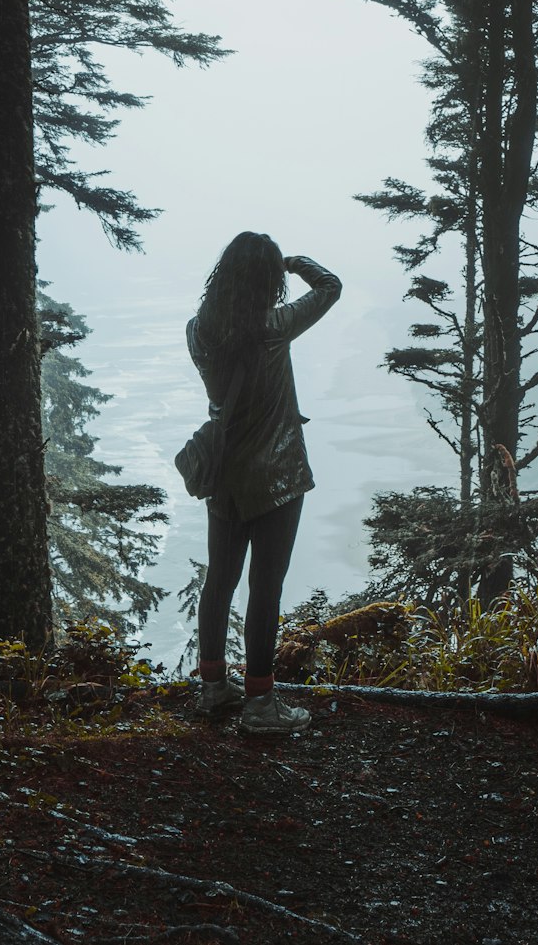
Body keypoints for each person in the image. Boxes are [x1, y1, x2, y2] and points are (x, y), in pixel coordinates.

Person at [186, 232, 342, 735]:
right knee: (265, 588)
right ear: (270, 280)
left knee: (219, 580)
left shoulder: (199, 331)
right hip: (277, 480)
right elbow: (331, 286)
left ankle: (213, 687)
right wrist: (295, 262)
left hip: (225, 479)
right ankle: (260, 703)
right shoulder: (275, 327)